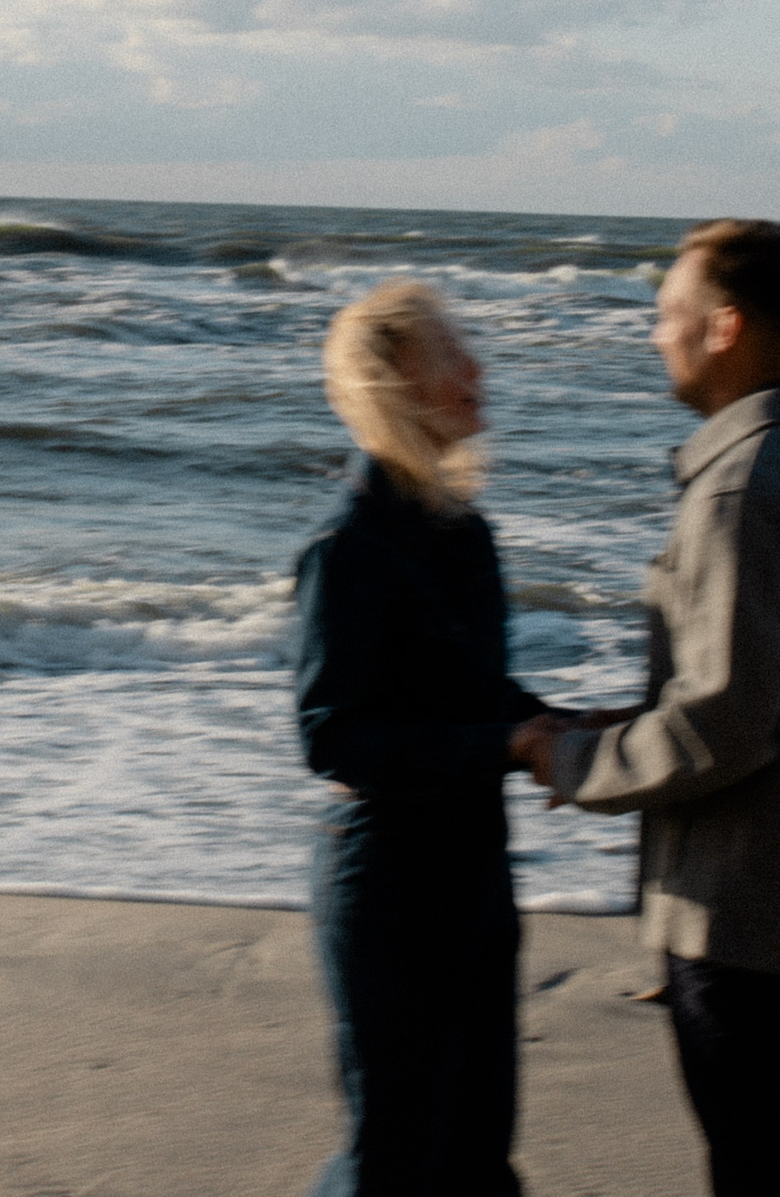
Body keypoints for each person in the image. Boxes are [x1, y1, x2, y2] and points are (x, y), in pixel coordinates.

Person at [526, 219, 780, 1197]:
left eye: (667, 313)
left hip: (740, 906)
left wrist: (575, 764)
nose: (654, 333)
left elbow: (725, 719)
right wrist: (622, 727)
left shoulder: (741, 488)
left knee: (764, 1161)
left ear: (724, 326)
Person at [293, 279, 570, 1197]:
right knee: (395, 1157)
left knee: (478, 1149)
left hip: (473, 865)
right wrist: (504, 745)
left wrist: (565, 725)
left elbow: (473, 692)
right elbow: (336, 737)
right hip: (388, 876)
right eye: (453, 352)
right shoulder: (351, 545)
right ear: (396, 386)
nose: (478, 368)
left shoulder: (464, 532)